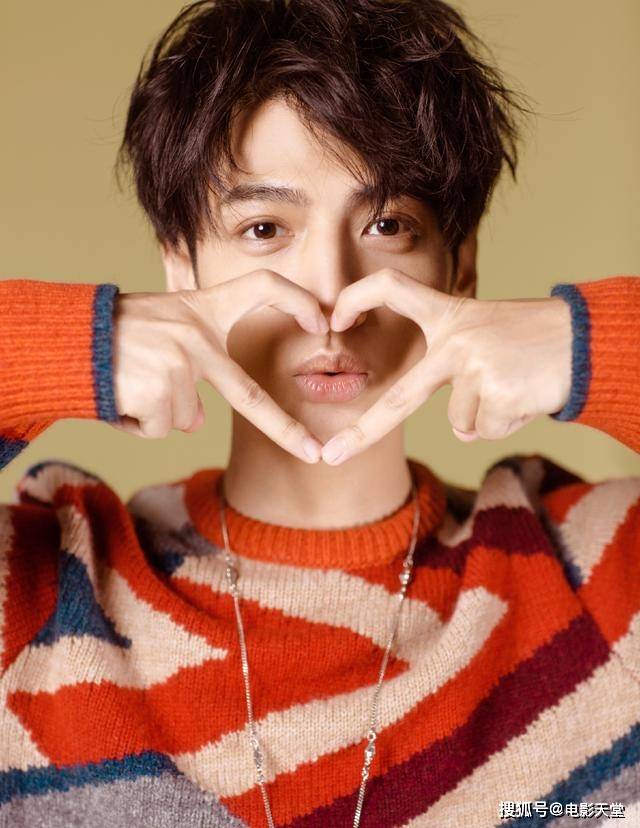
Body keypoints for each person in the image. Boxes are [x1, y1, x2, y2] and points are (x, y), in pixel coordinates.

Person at [0, 0, 638, 826]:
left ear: (461, 267)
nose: (333, 294)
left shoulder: (595, 575)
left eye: (389, 224)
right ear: (180, 268)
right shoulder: (48, 593)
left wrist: (581, 343)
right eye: (265, 227)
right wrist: (69, 348)